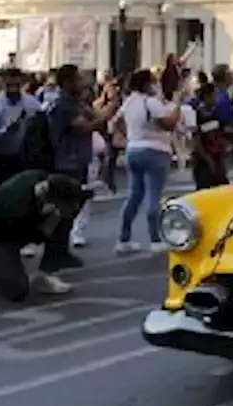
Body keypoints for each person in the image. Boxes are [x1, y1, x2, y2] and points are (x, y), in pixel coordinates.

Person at [0, 170, 92, 301]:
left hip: (21, 225)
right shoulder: (17, 203)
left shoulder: (44, 180)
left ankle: (45, 272)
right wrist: (52, 219)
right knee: (17, 289)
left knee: (63, 219)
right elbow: (39, 235)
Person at [45, 64, 117, 269]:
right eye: (77, 79)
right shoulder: (63, 105)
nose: (82, 83)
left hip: (78, 160)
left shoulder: (75, 102)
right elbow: (85, 125)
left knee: (72, 208)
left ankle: (62, 251)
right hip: (66, 162)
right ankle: (53, 254)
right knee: (62, 209)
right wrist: (108, 110)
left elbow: (95, 116)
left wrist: (109, 108)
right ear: (67, 82)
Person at [115, 68, 181, 254]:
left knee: (134, 196)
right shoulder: (150, 102)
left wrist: (129, 136)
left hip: (133, 149)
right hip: (156, 151)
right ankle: (155, 239)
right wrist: (176, 107)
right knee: (154, 195)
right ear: (146, 84)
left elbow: (116, 121)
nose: (157, 84)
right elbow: (169, 123)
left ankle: (123, 238)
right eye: (154, 81)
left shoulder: (129, 101)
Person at [0, 68, 42, 187]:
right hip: (3, 158)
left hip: (28, 159)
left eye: (16, 85)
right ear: (3, 83)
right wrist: (5, 130)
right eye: (9, 85)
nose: (13, 89)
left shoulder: (33, 104)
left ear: (22, 84)